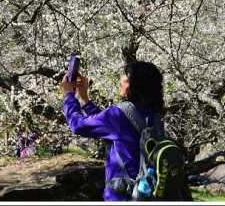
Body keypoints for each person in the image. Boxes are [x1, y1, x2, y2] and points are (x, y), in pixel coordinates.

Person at [59, 60, 165, 202]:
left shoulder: (119, 115)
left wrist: (69, 96)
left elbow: (78, 125)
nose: (121, 80)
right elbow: (109, 127)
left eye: (125, 76)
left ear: (134, 84)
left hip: (123, 197)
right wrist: (85, 99)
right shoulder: (153, 116)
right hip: (146, 195)